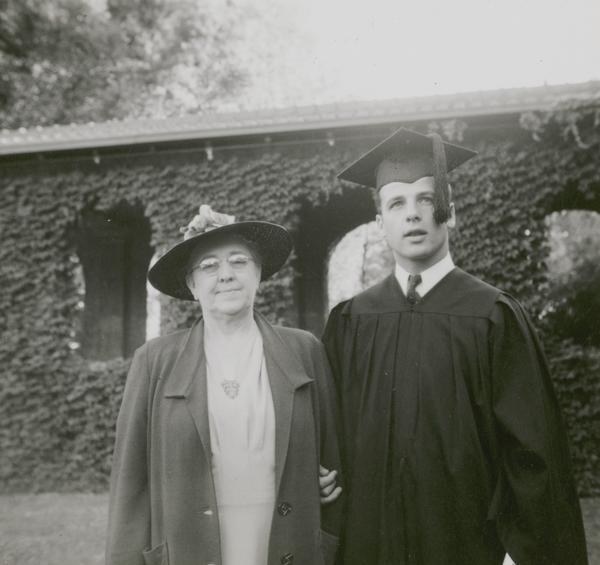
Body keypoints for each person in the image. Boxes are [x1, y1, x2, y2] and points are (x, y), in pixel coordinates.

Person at [322, 128, 588, 565]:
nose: (412, 215)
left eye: (426, 198)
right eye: (396, 203)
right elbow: (326, 437)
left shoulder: (493, 315)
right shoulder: (352, 322)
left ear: (451, 211)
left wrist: (517, 552)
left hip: (469, 546)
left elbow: (533, 457)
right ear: (380, 223)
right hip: (371, 545)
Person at [106, 205, 342, 565]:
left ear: (259, 273)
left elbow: (333, 459)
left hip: (284, 542)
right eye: (209, 266)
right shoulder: (154, 361)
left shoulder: (304, 350)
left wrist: (324, 482)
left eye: (239, 261)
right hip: (189, 548)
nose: (226, 275)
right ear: (192, 285)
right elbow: (129, 487)